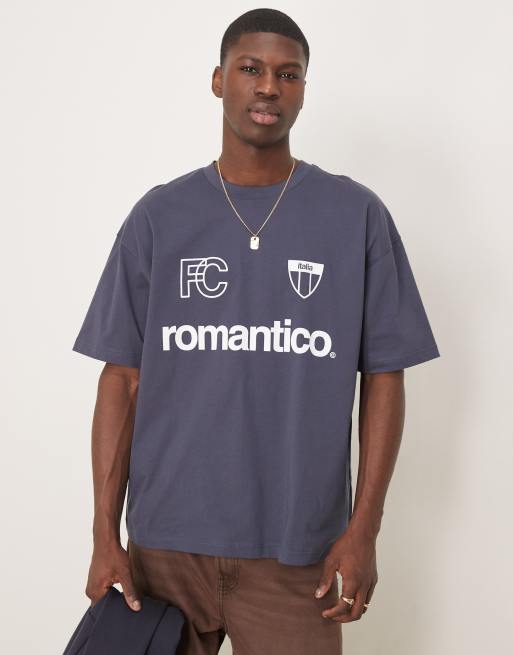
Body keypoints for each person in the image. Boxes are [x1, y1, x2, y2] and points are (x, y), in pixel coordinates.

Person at [71, 8, 440, 655]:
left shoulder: (355, 215)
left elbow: (384, 375)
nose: (269, 86)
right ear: (219, 80)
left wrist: (364, 530)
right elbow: (121, 380)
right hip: (166, 550)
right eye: (251, 68)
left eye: (288, 74)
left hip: (296, 554)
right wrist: (105, 534)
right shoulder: (159, 217)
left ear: (302, 90)